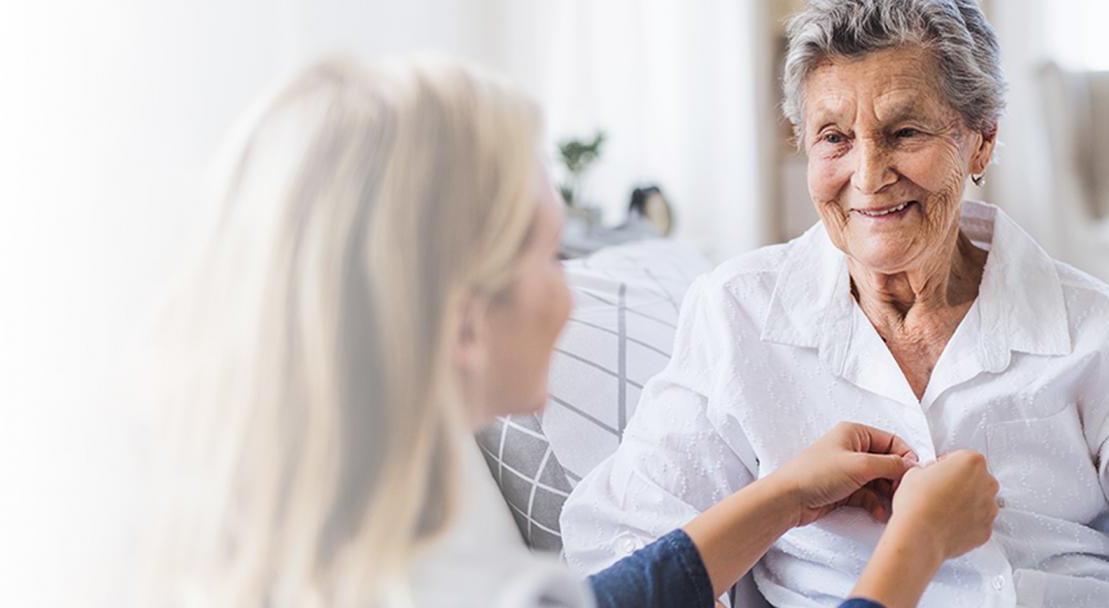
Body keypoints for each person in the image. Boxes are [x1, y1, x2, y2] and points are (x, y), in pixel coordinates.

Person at [138, 54, 999, 608]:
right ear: (463, 322)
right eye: (550, 257)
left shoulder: (322, 549)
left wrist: (781, 498)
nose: (571, 295)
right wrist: (917, 544)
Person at [561, 1, 1109, 606]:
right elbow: (622, 548)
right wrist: (780, 499)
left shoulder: (1093, 328)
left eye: (905, 132)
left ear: (981, 140)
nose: (868, 175)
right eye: (834, 138)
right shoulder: (736, 316)